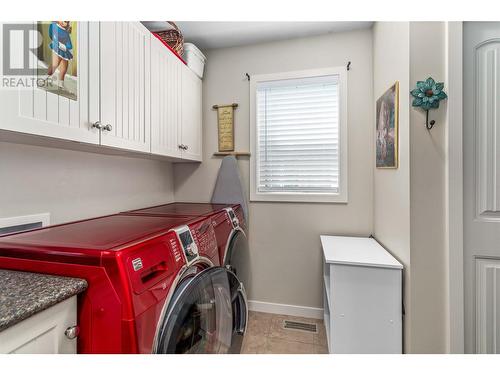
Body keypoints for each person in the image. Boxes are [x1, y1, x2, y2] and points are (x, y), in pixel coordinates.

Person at [46, 21, 73, 88]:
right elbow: (51, 34)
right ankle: (46, 77)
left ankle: (61, 82)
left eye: (67, 22)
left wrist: (65, 46)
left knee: (64, 66)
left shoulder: (65, 32)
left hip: (64, 51)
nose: (66, 23)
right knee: (55, 64)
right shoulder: (54, 26)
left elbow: (69, 45)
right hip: (57, 49)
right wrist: (56, 42)